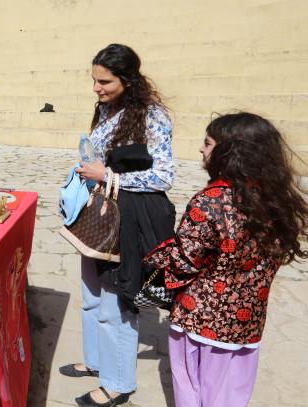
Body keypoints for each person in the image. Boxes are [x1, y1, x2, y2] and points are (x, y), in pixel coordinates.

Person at [145, 112, 308, 407]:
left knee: (191, 388)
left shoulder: (211, 199)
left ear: (228, 152)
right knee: (230, 395)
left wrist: (153, 252)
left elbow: (184, 261)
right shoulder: (274, 198)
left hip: (199, 319)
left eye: (207, 143)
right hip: (247, 323)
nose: (201, 149)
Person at [59, 44, 175, 407]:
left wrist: (106, 174)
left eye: (104, 81)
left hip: (128, 221)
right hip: (99, 216)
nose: (97, 88)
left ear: (128, 79)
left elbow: (164, 176)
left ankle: (117, 383)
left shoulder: (153, 115)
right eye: (94, 80)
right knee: (92, 294)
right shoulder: (107, 108)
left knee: (115, 303)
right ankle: (95, 361)